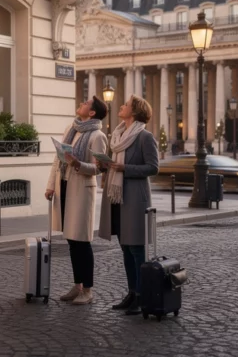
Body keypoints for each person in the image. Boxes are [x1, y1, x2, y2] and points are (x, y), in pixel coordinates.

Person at [97, 95, 159, 315]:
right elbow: (114, 165)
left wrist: (125, 169)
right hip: (117, 198)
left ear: (134, 112)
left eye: (126, 105)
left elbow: (153, 167)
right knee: (125, 247)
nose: (121, 106)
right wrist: (104, 165)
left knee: (136, 249)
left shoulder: (144, 137)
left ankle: (142, 296)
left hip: (134, 198)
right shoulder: (117, 136)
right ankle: (132, 292)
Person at [44, 96, 108, 306]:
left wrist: (77, 163)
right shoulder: (71, 129)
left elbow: (99, 168)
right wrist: (51, 185)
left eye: (86, 103)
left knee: (82, 241)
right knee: (71, 240)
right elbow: (58, 159)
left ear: (92, 112)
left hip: (81, 190)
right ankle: (77, 285)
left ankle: (88, 290)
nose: (81, 103)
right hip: (64, 186)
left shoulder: (98, 136)